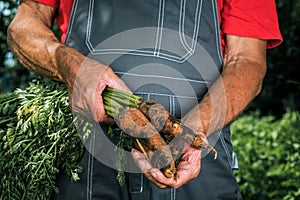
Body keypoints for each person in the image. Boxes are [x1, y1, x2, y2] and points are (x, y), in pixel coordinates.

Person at [7, 0, 282, 199]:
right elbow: (23, 25)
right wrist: (66, 63)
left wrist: (196, 127)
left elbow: (247, 60)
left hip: (194, 162)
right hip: (84, 161)